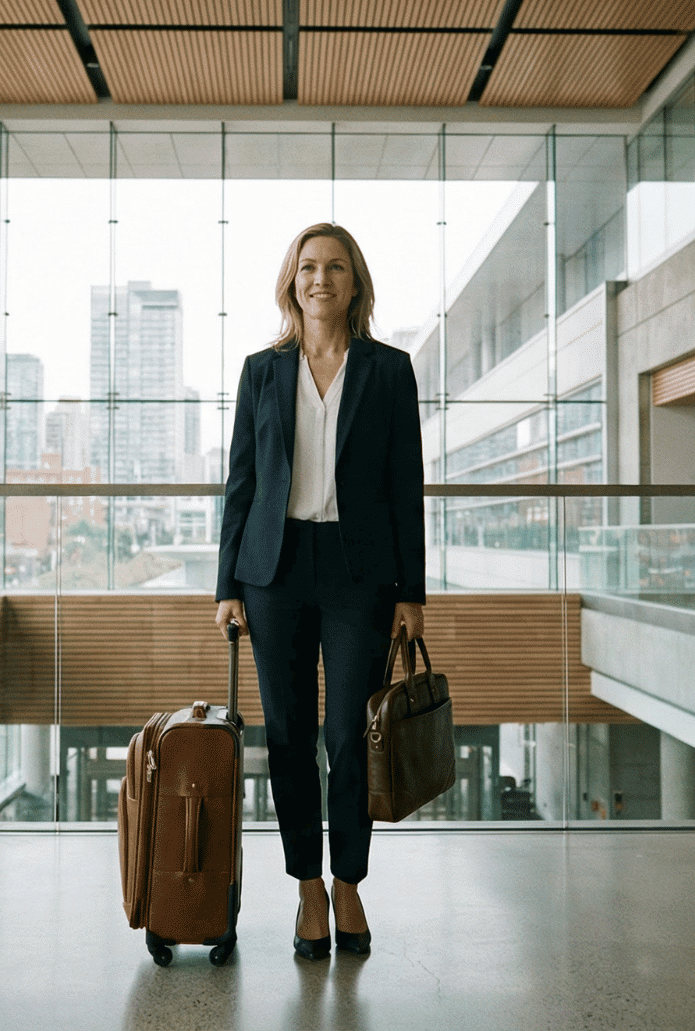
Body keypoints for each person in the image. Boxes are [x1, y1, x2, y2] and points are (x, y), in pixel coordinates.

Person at [214, 222, 425, 961]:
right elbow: (240, 483)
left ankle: (348, 882)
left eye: (335, 267)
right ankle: (306, 884)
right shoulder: (260, 371)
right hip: (271, 570)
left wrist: (412, 592)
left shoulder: (390, 370)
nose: (321, 280)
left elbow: (406, 487)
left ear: (354, 282)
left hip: (358, 571)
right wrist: (226, 585)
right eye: (309, 267)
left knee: (348, 737)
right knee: (288, 736)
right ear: (292, 280)